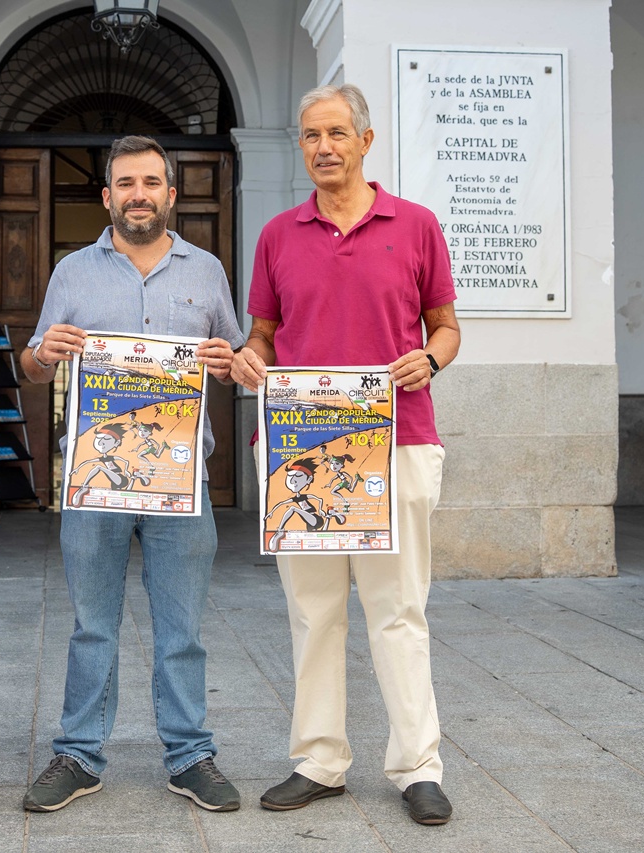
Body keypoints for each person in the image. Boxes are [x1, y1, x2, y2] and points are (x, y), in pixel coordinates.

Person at [230, 84, 461, 826]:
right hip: (300, 448)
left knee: (399, 610)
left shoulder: (416, 225)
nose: (323, 147)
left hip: (398, 442)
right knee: (313, 610)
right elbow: (263, 335)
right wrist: (250, 358)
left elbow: (446, 326)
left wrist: (431, 357)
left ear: (365, 140)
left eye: (335, 133)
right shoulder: (278, 235)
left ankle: (418, 766)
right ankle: (319, 760)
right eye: (310, 135)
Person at [20, 135, 246, 813]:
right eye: (126, 183)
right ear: (107, 196)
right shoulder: (71, 272)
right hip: (95, 478)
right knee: (93, 623)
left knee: (183, 626)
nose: (138, 194)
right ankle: (79, 753)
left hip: (181, 480)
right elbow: (33, 364)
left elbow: (238, 358)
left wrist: (226, 362)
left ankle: (190, 754)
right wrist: (44, 353)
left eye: (150, 182)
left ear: (171, 194)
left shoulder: (206, 270)